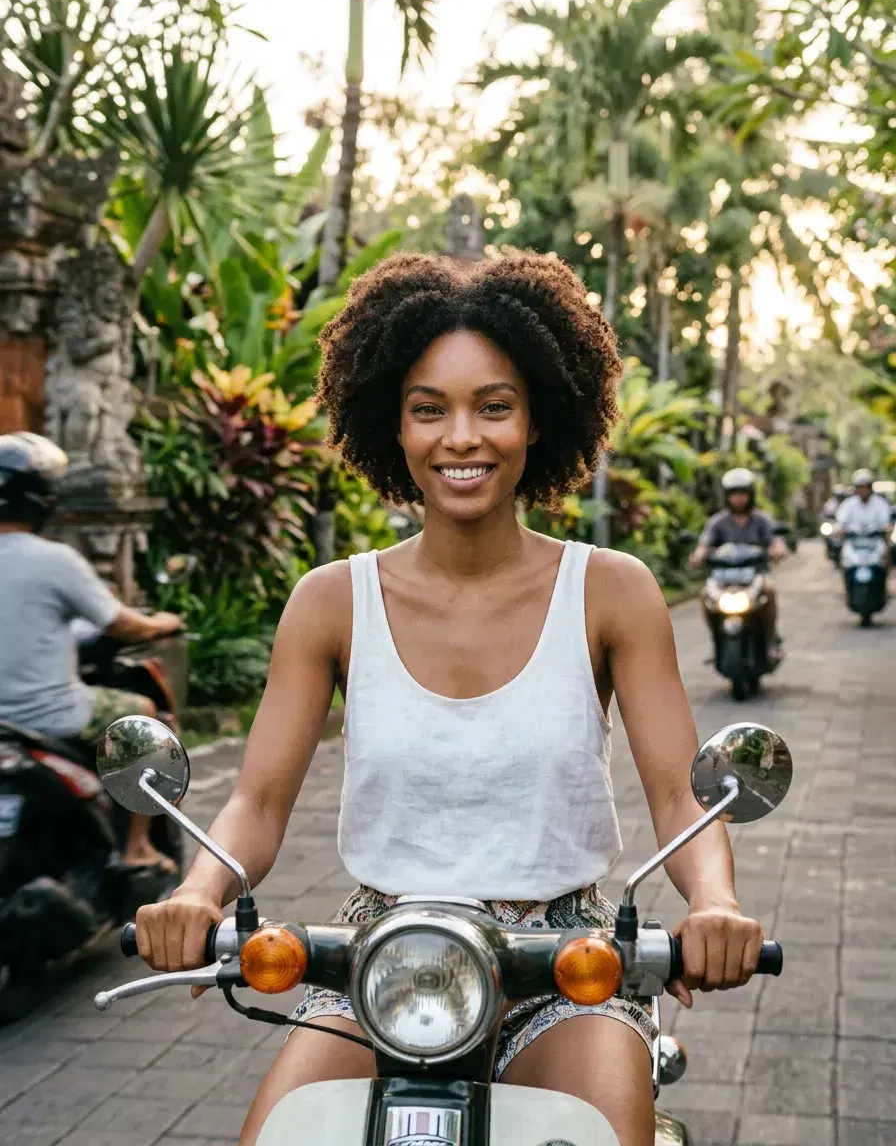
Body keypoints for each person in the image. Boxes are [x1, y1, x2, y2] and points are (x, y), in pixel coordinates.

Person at [134, 253, 766, 1146]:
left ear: (539, 417)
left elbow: (678, 793)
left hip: (568, 962)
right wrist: (198, 892)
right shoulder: (328, 600)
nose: (460, 436)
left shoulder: (612, 590)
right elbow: (258, 799)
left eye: (493, 406)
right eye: (429, 409)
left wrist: (715, 905)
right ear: (391, 426)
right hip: (379, 956)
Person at [0, 431, 183, 870]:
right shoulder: (54, 561)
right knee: (143, 716)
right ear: (43, 500)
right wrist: (165, 622)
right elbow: (123, 623)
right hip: (47, 717)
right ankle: (136, 847)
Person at [689, 467, 788, 647]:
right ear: (727, 496)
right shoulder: (717, 522)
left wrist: (778, 550)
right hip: (724, 577)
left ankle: (771, 636)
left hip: (755, 574)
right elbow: (704, 544)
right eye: (734, 494)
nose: (738, 498)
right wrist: (698, 556)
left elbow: (775, 541)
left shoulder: (761, 520)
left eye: (743, 493)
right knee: (705, 596)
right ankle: (717, 639)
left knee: (770, 591)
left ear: (750, 494)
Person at [835, 469, 893, 540]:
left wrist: (887, 529)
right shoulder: (848, 504)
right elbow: (841, 522)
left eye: (866, 487)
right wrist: (840, 529)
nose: (863, 490)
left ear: (870, 488)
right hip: (852, 541)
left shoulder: (880, 503)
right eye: (860, 487)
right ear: (856, 488)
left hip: (876, 541)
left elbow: (886, 522)